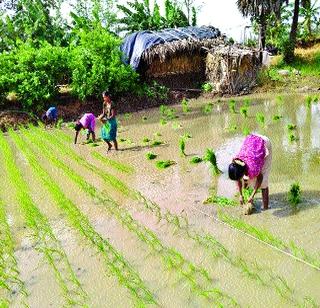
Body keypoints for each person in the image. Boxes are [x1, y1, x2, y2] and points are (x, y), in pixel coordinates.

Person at [228, 134, 272, 211]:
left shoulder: (252, 169)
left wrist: (252, 195)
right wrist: (241, 195)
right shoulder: (235, 163)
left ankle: (266, 208)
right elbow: (238, 179)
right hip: (253, 140)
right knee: (248, 178)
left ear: (243, 172)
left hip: (264, 143)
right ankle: (247, 189)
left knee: (264, 182)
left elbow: (260, 178)